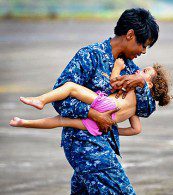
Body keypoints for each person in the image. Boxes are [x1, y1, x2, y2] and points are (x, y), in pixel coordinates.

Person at [17, 8, 159, 194]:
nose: (144, 51)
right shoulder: (90, 56)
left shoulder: (132, 69)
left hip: (103, 144)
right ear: (130, 35)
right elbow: (60, 100)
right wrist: (93, 113)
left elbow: (146, 109)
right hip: (83, 144)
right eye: (144, 45)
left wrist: (140, 82)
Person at [9, 59, 171, 137]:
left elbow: (114, 82)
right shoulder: (142, 105)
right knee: (60, 121)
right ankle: (24, 123)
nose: (139, 71)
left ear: (149, 84)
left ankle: (41, 100)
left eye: (144, 72)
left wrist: (118, 67)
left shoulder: (138, 87)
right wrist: (114, 130)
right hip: (106, 123)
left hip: (106, 104)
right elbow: (137, 129)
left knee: (71, 87)